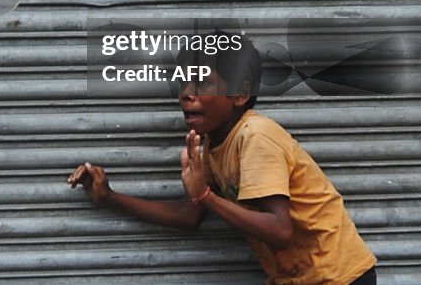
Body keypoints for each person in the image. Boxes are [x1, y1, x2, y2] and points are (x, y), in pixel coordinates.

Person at [68, 31, 377, 285]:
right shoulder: (215, 145)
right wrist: (110, 197)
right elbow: (191, 216)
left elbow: (280, 232)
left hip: (339, 278)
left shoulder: (254, 136)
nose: (186, 94)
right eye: (183, 83)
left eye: (201, 83)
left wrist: (204, 194)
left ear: (240, 94)